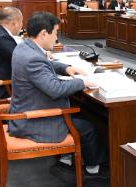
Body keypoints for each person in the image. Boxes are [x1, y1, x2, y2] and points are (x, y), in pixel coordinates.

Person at [8, 12, 106, 176]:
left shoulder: (24, 47)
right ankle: (93, 168)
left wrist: (66, 68)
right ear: (43, 33)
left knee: (83, 113)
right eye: (55, 33)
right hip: (34, 120)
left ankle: (67, 157)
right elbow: (55, 89)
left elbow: (46, 64)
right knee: (89, 127)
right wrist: (82, 82)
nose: (56, 38)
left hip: (27, 109)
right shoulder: (33, 58)